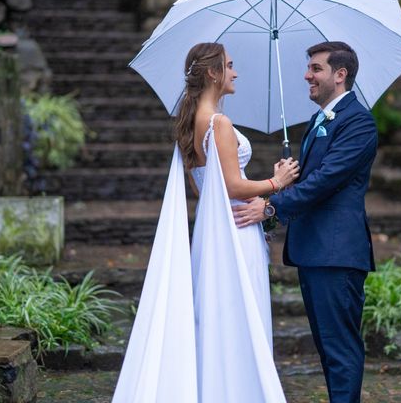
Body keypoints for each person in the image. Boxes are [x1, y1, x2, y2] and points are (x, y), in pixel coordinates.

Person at [113, 42, 298, 403]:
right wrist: (277, 182)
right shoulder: (219, 122)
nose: (235, 72)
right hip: (236, 232)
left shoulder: (190, 122)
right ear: (213, 73)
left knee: (220, 314)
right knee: (239, 314)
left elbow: (206, 188)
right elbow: (231, 184)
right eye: (229, 65)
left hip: (215, 232)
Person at [233, 41, 378, 403]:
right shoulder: (319, 119)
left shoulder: (358, 122)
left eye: (316, 68)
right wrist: (283, 179)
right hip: (315, 250)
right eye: (309, 68)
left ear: (340, 75)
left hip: (336, 252)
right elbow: (313, 181)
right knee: (328, 349)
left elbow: (327, 181)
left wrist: (270, 207)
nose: (307, 75)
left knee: (340, 349)